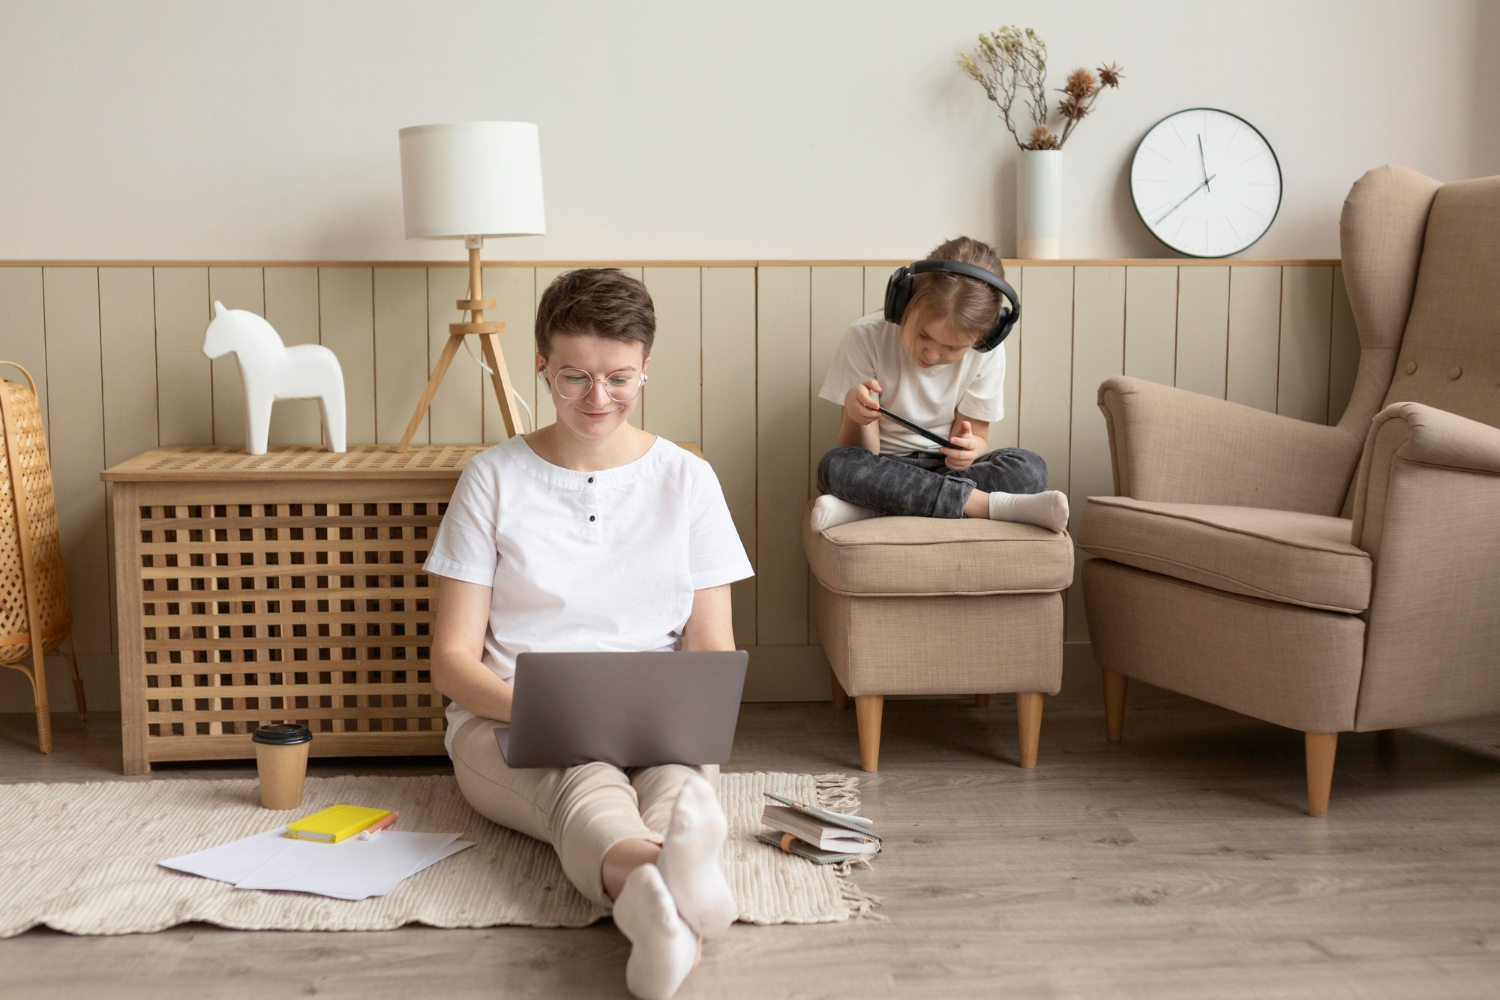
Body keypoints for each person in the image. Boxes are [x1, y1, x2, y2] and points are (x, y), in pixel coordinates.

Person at [424, 268, 754, 1000]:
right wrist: (549, 713)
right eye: (573, 378)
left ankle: (657, 912)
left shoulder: (688, 480)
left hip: (655, 723)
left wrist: (685, 723)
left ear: (645, 368)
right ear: (540, 366)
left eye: (619, 379)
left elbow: (710, 648)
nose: (596, 400)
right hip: (509, 719)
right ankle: (664, 886)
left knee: (677, 785)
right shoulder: (492, 478)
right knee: (588, 781)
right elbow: (451, 661)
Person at [810, 236, 1070, 533]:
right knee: (836, 466)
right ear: (904, 302)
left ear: (986, 336)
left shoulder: (987, 354)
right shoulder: (866, 337)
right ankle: (985, 506)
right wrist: (857, 416)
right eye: (924, 335)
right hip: (885, 468)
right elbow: (860, 452)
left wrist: (969, 450)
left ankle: (869, 508)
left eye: (953, 348)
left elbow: (977, 438)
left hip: (948, 470)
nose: (932, 354)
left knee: (1030, 467)